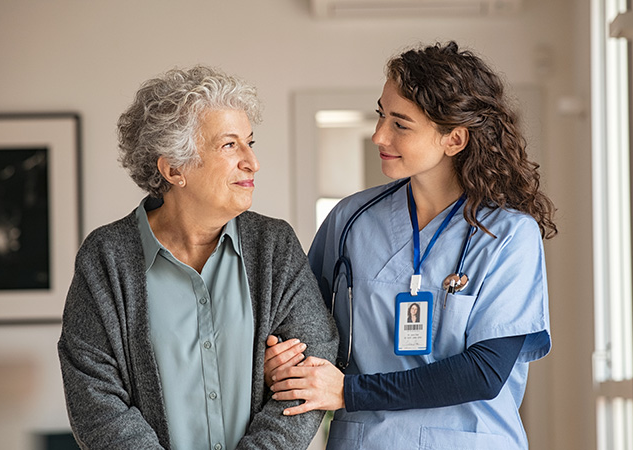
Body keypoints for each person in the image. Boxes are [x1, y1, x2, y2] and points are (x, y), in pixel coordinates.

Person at [264, 41, 556, 449]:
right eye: (381, 115)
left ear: (453, 140)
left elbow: (485, 372)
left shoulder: (508, 235)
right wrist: (280, 360)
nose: (378, 134)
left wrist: (349, 392)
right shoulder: (350, 220)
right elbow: (299, 324)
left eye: (400, 124)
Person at [57, 65, 338, 450]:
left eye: (249, 143)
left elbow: (313, 363)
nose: (252, 162)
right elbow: (96, 401)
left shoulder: (274, 246)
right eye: (229, 145)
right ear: (174, 168)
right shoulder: (105, 258)